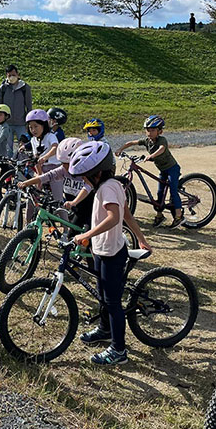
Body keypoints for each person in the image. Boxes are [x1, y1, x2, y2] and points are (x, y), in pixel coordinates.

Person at [69, 141, 151, 366]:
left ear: (98, 172)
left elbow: (115, 217)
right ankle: (105, 330)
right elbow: (126, 214)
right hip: (100, 249)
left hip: (112, 253)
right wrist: (142, 238)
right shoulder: (104, 187)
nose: (83, 180)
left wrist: (86, 235)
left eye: (86, 175)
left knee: (113, 302)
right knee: (102, 296)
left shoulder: (108, 187)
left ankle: (119, 350)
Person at [116, 115, 184, 228]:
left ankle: (178, 216)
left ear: (160, 131)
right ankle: (160, 215)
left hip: (172, 168)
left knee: (173, 190)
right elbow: (131, 143)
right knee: (159, 193)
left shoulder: (162, 140)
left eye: (153, 130)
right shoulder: (147, 141)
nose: (150, 132)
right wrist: (120, 149)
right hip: (162, 170)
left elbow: (161, 148)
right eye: (148, 130)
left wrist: (151, 156)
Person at [21, 109, 63, 201]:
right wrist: (39, 175)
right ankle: (30, 215)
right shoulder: (33, 140)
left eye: (36, 126)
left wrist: (45, 157)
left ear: (44, 125)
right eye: (31, 127)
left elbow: (55, 148)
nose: (33, 130)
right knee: (32, 198)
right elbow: (36, 159)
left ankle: (62, 214)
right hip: (41, 169)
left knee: (58, 200)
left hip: (54, 169)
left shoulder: (50, 136)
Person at [0, 64, 32, 156]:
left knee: (23, 146)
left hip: (21, 123)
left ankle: (23, 167)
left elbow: (28, 105)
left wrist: (29, 121)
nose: (12, 77)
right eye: (9, 75)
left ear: (17, 74)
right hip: (7, 124)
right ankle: (9, 168)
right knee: (8, 149)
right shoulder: (3, 88)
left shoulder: (25, 88)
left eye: (13, 74)